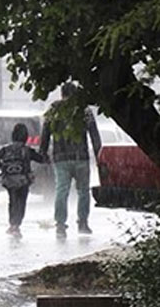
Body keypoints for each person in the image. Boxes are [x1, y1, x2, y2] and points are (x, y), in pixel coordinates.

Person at [39, 83, 102, 236]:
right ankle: (83, 223)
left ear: (62, 93)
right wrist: (99, 154)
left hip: (60, 158)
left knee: (62, 191)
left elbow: (45, 132)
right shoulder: (84, 110)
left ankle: (60, 225)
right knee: (83, 191)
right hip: (81, 157)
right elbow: (94, 134)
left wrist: (43, 152)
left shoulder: (53, 110)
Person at [0, 122, 46, 238]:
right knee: (21, 202)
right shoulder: (27, 150)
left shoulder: (5, 149)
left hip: (9, 180)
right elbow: (40, 159)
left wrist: (1, 168)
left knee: (12, 201)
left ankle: (12, 224)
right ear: (25, 137)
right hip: (23, 181)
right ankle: (16, 225)